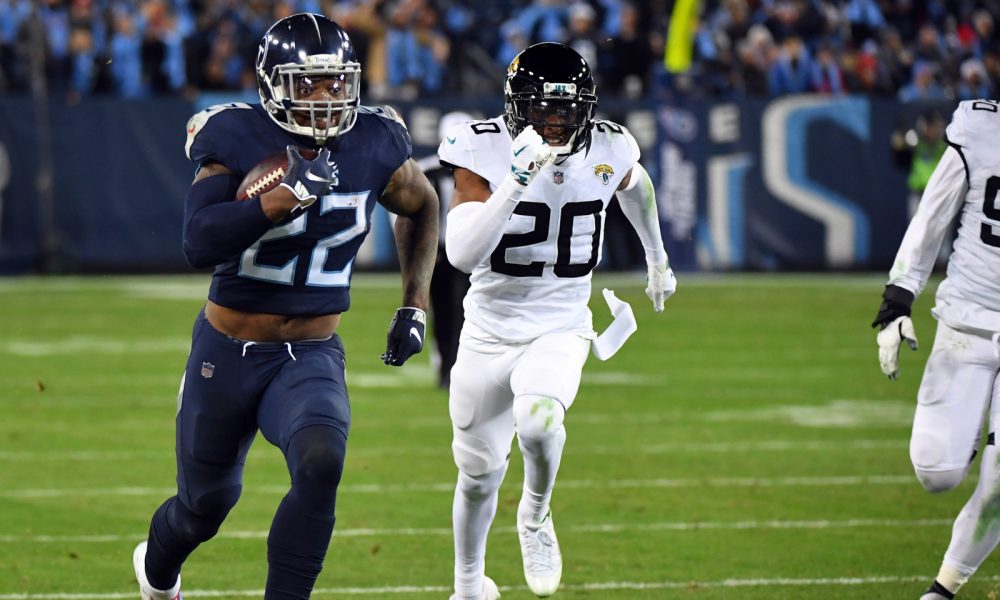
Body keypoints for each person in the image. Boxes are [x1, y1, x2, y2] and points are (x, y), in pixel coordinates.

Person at [131, 13, 438, 600]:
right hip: (228, 349)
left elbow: (421, 207)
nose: (326, 98)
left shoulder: (375, 141)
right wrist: (276, 202)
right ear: (273, 84)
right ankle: (158, 573)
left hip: (311, 353)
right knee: (204, 507)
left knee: (322, 460)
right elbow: (199, 241)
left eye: (336, 82)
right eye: (308, 83)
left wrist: (414, 305)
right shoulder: (238, 137)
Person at [438, 42, 676, 600]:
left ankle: (536, 515)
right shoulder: (483, 148)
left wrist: (657, 259)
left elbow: (635, 187)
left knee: (541, 421)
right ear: (517, 105)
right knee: (476, 476)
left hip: (561, 322)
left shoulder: (610, 146)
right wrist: (516, 182)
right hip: (487, 329)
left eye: (567, 109)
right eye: (543, 108)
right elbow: (461, 254)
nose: (555, 121)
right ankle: (469, 587)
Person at [873, 99, 1000, 600]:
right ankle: (974, 437)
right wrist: (897, 299)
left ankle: (943, 589)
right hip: (967, 317)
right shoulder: (981, 127)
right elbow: (933, 214)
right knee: (936, 471)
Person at [415, 110, 474, 389]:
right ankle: (446, 366)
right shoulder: (427, 169)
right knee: (442, 310)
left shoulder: (482, 170)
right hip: (438, 252)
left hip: (470, 252)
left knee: (464, 310)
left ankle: (458, 367)